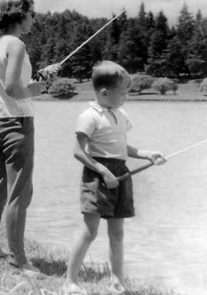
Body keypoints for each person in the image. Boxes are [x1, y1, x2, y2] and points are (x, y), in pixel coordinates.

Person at [63, 61, 166, 295]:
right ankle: (70, 281)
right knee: (90, 231)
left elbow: (122, 147)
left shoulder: (120, 114)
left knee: (117, 232)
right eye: (123, 93)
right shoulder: (89, 116)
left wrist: (146, 154)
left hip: (120, 173)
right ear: (105, 93)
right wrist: (103, 171)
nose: (126, 97)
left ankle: (116, 282)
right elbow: (78, 151)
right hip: (97, 176)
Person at [0, 0, 60, 276]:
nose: (34, 19)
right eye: (32, 14)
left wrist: (39, 77)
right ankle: (18, 260)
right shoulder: (16, 44)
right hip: (17, 125)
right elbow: (15, 89)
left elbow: (9, 85)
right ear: (19, 15)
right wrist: (37, 89)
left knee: (0, 187)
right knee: (19, 194)